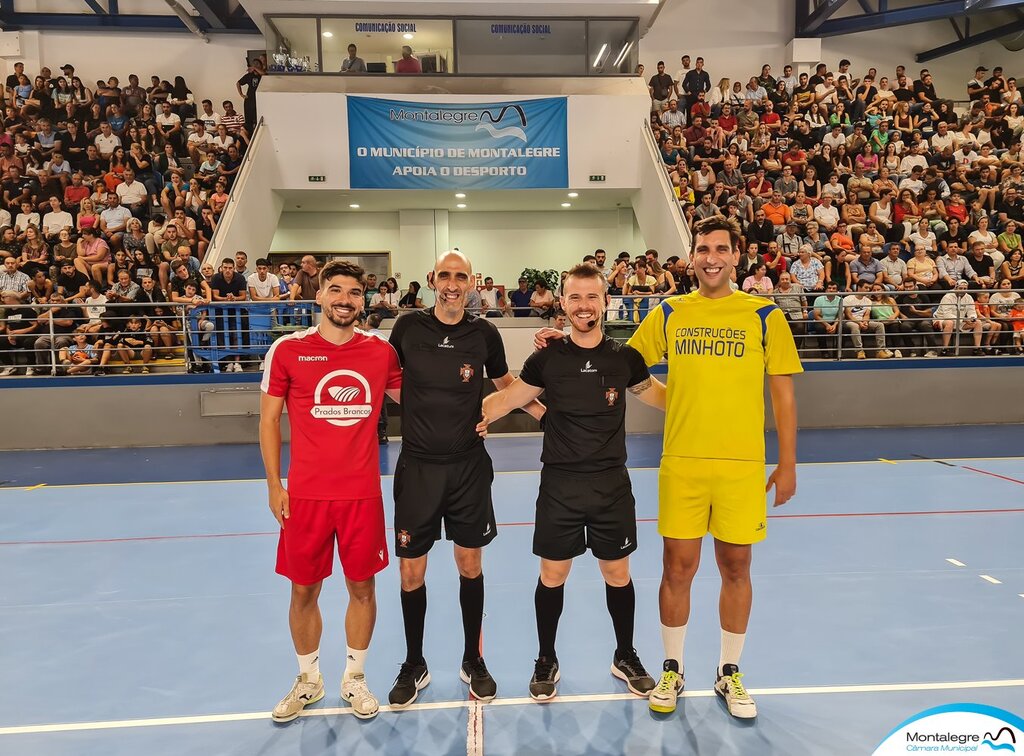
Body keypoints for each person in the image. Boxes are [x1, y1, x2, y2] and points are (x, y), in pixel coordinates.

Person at [616, 215, 801, 720]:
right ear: (692, 256)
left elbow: (782, 396)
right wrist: (669, 400)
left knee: (736, 567)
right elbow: (626, 367)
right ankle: (672, 668)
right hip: (683, 464)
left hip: (743, 465)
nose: (712, 257)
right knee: (677, 568)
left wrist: (787, 464)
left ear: (736, 256)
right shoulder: (670, 311)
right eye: (703, 248)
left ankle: (729, 671)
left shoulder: (765, 316)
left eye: (721, 248)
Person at [477, 264, 665, 701]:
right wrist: (474, 416)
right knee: (553, 573)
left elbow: (662, 397)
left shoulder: (624, 359)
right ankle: (546, 658)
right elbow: (508, 398)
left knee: (617, 573)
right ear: (563, 304)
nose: (584, 306)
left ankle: (625, 655)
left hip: (611, 485)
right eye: (575, 298)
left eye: (592, 298)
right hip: (560, 485)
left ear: (605, 302)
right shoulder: (547, 359)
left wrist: (711, 406)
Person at [386, 251, 544, 707]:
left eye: (461, 277)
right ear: (433, 280)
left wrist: (546, 416)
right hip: (417, 468)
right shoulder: (408, 329)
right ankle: (414, 663)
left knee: (469, 565)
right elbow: (385, 378)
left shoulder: (485, 333)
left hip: (468, 469)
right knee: (411, 571)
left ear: (472, 282)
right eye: (446, 276)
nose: (453, 284)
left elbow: (507, 383)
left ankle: (472, 659)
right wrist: (417, 410)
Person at [260, 260, 402, 722]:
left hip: (361, 495)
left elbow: (424, 399)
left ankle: (354, 678)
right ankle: (308, 679)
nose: (345, 299)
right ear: (319, 295)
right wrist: (274, 485)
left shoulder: (381, 353)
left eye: (355, 292)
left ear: (364, 299)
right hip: (305, 497)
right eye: (336, 290)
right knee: (304, 590)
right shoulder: (287, 350)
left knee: (362, 587)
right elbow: (268, 421)